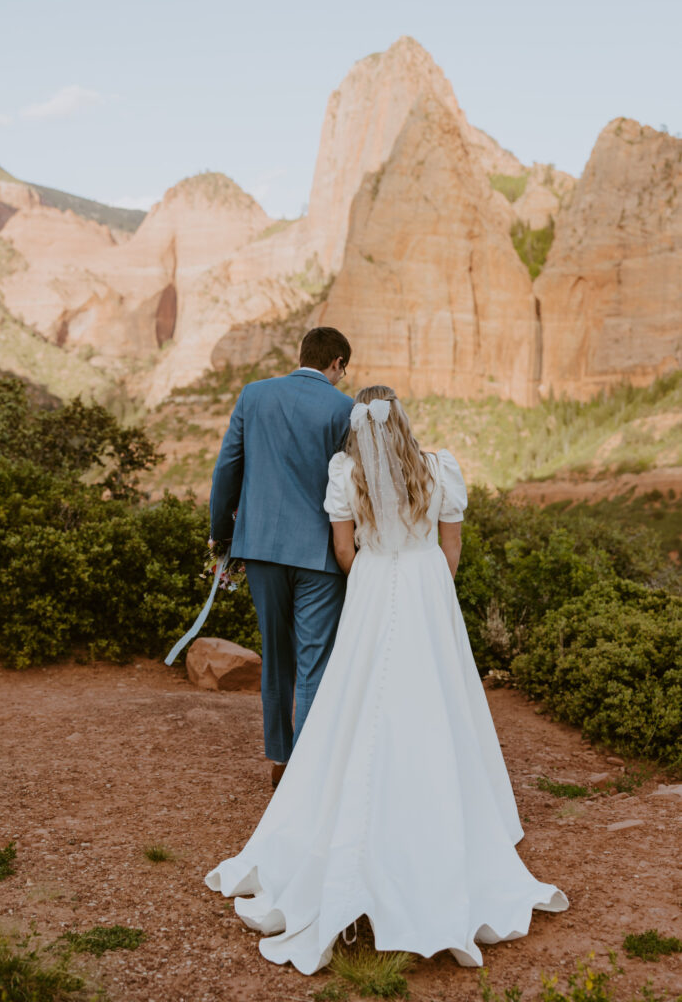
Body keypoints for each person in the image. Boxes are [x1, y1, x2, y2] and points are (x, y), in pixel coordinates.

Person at [205, 384, 569, 974]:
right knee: (437, 696)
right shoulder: (439, 467)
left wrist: (379, 572)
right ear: (403, 419)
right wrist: (424, 580)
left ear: (358, 425)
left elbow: (344, 553)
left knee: (357, 698)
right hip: (429, 589)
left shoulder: (346, 473)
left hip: (373, 585)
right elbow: (452, 552)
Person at [209, 327, 353, 787]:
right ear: (336, 363)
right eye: (343, 367)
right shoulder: (345, 408)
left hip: (263, 549)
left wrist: (223, 536)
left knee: (276, 655)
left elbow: (228, 467)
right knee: (314, 660)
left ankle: (280, 759)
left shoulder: (254, 395)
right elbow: (353, 483)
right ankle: (307, 776)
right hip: (320, 555)